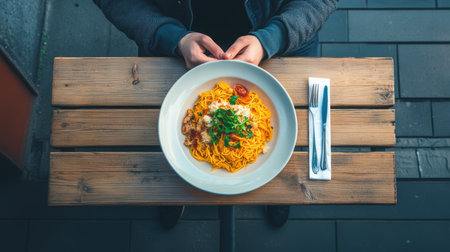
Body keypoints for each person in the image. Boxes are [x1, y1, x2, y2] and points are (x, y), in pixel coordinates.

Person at [94, 0, 337, 228]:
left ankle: (277, 188)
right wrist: (169, 35)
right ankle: (174, 188)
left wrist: (272, 38)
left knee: (289, 143)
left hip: (284, 44)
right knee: (162, 145)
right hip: (170, 49)